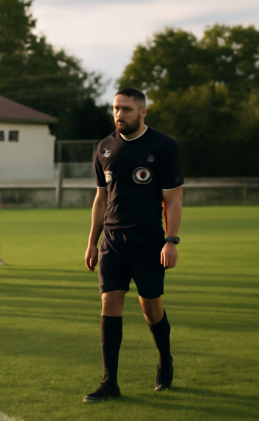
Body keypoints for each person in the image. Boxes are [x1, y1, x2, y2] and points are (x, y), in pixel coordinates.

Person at [83, 87, 184, 402]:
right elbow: (101, 199)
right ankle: (109, 382)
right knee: (109, 303)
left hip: (148, 238)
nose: (119, 114)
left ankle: (165, 358)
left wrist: (171, 241)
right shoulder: (104, 147)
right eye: (115, 108)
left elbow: (173, 199)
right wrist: (92, 242)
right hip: (112, 241)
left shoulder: (163, 146)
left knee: (150, 307)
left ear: (142, 112)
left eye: (126, 109)